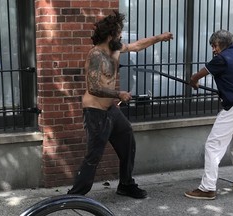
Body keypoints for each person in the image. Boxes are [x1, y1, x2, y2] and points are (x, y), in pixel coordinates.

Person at [67, 11, 173, 199]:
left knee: (127, 139)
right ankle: (75, 195)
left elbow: (137, 46)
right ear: (110, 35)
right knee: (94, 155)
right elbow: (93, 87)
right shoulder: (96, 55)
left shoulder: (115, 49)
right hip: (95, 112)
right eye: (118, 32)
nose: (121, 36)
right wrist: (119, 94)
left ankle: (126, 184)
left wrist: (160, 37)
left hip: (111, 111)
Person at [184, 29, 233, 200]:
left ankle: (207, 188)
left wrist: (193, 81)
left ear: (223, 44)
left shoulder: (221, 58)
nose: (213, 49)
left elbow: (198, 75)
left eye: (214, 45)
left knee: (213, 145)